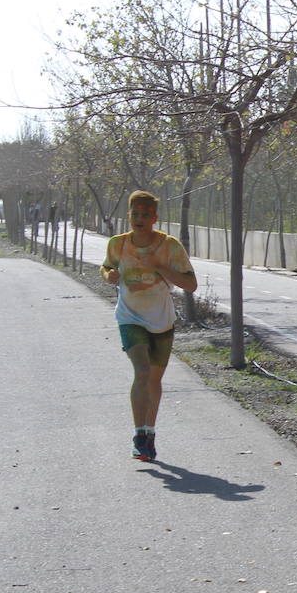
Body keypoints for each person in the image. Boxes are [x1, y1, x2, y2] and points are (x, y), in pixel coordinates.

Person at [99, 191, 198, 461]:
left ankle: (150, 433)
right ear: (128, 215)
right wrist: (110, 275)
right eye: (135, 214)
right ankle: (138, 434)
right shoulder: (118, 244)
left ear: (154, 218)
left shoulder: (169, 246)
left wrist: (161, 268)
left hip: (161, 319)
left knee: (154, 379)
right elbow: (106, 267)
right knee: (141, 371)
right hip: (130, 316)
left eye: (145, 214)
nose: (139, 219)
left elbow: (191, 284)